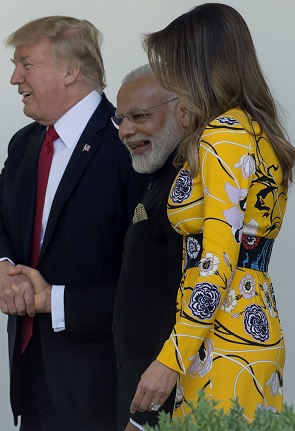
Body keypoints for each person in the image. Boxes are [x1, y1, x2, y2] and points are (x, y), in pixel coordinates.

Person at [0, 16, 146, 431]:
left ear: (71, 71)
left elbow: (146, 281)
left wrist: (57, 301)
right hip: (30, 374)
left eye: (26, 64)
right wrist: (1, 272)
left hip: (100, 388)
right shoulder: (26, 143)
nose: (15, 78)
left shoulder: (129, 144)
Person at [130, 3, 295, 423]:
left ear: (197, 67)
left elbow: (218, 255)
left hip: (220, 340)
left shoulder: (224, 133)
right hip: (246, 324)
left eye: (172, 66)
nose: (168, 79)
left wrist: (171, 358)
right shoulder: (250, 128)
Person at [111, 64, 187, 431]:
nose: (125, 131)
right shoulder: (157, 177)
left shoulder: (187, 188)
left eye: (139, 116)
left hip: (165, 405)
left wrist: (144, 419)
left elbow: (187, 298)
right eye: (120, 119)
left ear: (183, 110)